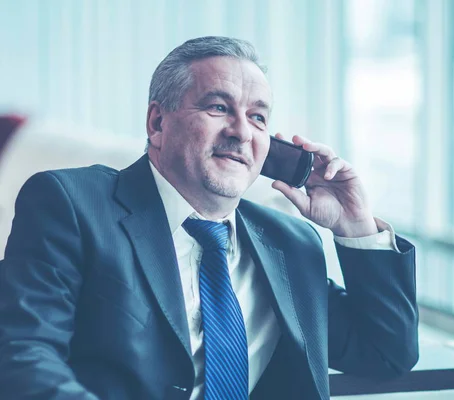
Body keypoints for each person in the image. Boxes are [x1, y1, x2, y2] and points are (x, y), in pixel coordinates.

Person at [0, 37, 418, 400]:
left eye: (258, 117)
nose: (241, 131)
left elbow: (387, 352)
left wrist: (356, 224)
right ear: (158, 121)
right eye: (219, 107)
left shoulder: (289, 242)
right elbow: (23, 355)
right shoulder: (71, 204)